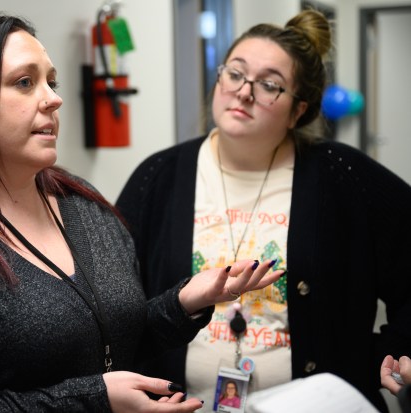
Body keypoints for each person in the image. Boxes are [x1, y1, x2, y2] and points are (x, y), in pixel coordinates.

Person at [0, 11, 283, 413]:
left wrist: (184, 303)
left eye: (51, 82)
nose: (53, 99)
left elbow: (115, 344)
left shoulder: (84, 205)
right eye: (24, 82)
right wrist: (94, 400)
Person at [116, 8, 411, 412]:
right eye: (235, 73)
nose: (244, 91)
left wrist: (396, 345)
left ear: (298, 110)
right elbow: (116, 303)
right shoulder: (158, 176)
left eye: (269, 85)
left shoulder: (343, 176)